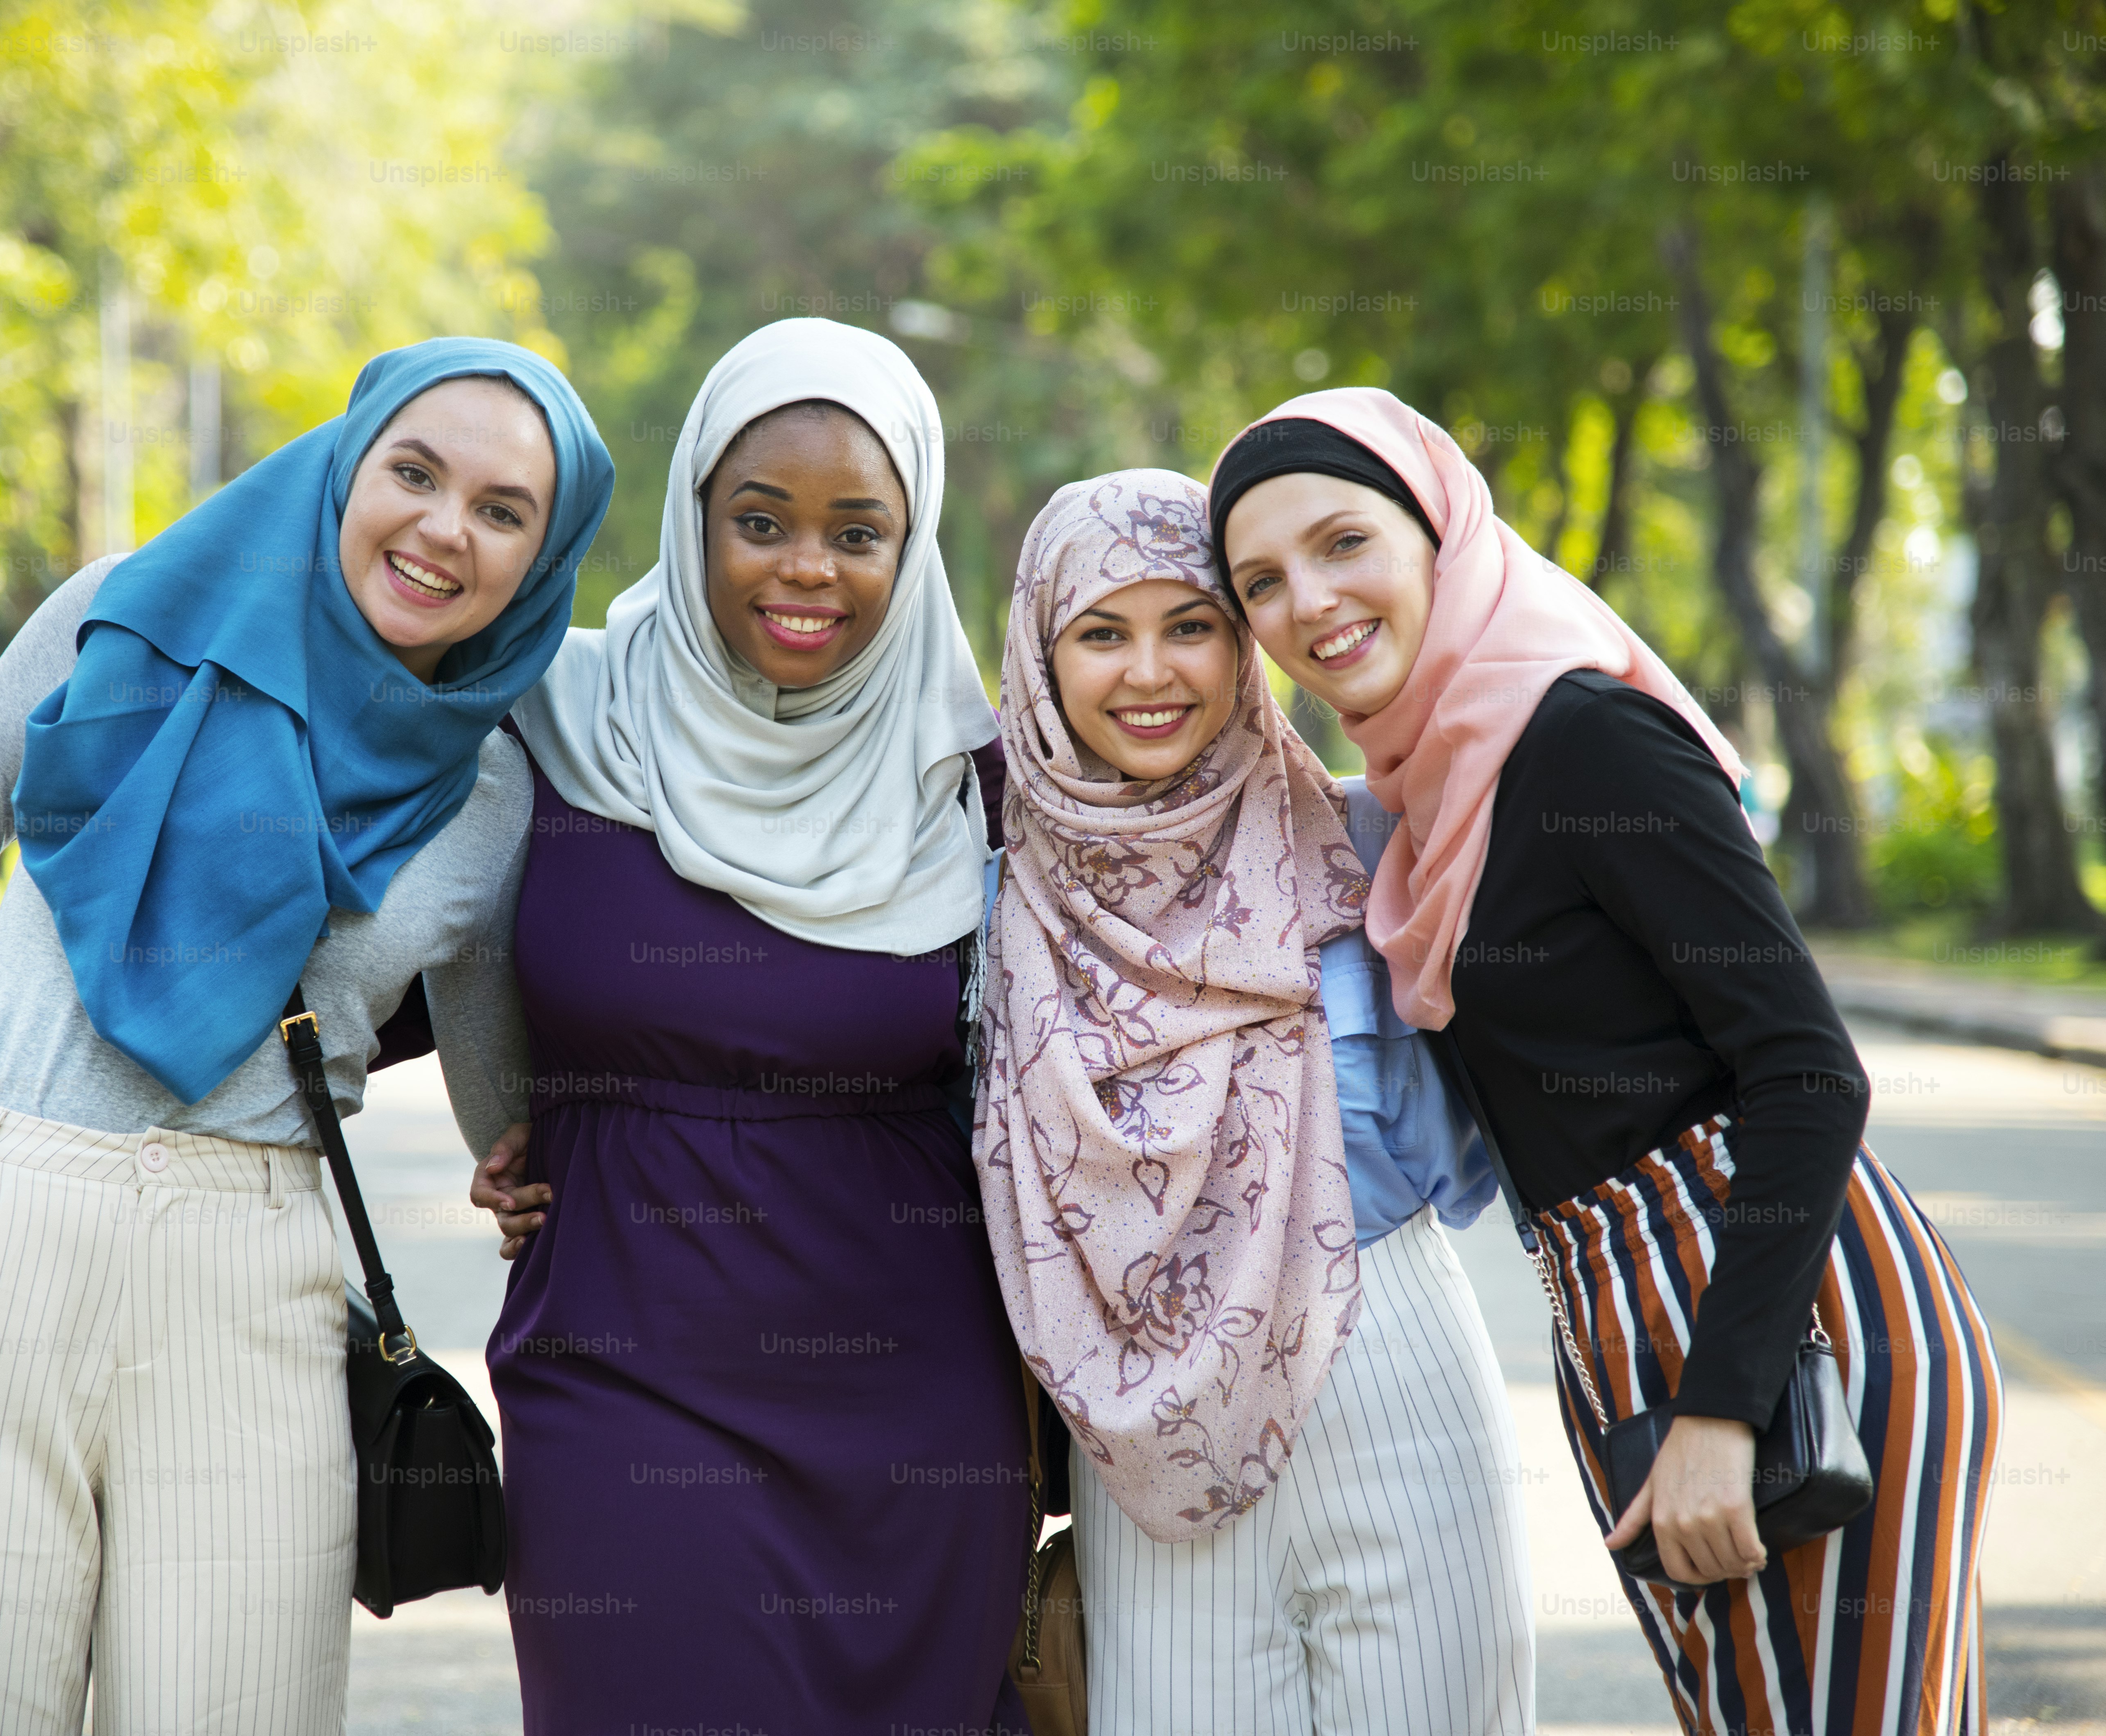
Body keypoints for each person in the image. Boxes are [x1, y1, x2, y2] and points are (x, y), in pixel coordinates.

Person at [0, 339, 615, 1736]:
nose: (442, 529)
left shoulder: (489, 796)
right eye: (413, 473)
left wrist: (530, 1158)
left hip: (257, 1290)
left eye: (502, 510)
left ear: (544, 557)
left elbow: (507, 1104)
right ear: (347, 463)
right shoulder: (124, 616)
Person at [1212, 390, 2000, 1736]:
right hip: (1630, 1330)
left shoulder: (1580, 733)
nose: (1311, 601)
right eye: (1261, 583)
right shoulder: (1428, 792)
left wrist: (1724, 1407)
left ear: (1439, 530)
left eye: (1345, 542)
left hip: (1782, 1326)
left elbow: (1807, 1071)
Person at [468, 318, 1028, 1734]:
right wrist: (496, 1122)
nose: (807, 568)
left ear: (916, 547)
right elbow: (409, 931)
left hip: (917, 1399)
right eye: (760, 520)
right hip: (620, 1374)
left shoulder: (978, 779)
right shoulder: (559, 717)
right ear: (693, 515)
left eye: (861, 531)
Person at [974, 469, 1534, 1736]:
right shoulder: (988, 894)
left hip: (1389, 1377)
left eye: (1191, 624)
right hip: (1139, 1442)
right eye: (1101, 634)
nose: (1150, 671)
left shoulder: (1365, 834)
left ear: (1245, 645)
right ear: (1041, 655)